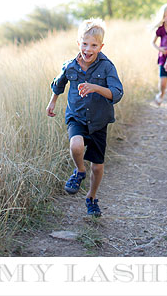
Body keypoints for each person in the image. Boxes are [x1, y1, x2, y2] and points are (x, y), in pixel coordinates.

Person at [46, 18, 124, 217]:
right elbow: (58, 84)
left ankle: (91, 197)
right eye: (84, 44)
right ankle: (79, 171)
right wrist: (53, 101)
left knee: (97, 167)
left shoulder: (107, 66)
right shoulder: (71, 65)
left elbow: (117, 93)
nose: (88, 49)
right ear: (78, 42)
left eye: (94, 45)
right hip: (77, 116)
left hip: (99, 121)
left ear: (101, 46)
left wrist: (95, 87)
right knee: (76, 146)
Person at [151, 3, 167, 112]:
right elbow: (153, 42)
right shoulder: (161, 29)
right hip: (163, 58)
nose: (166, 18)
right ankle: (161, 94)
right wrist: (160, 49)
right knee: (163, 82)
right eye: (164, 16)